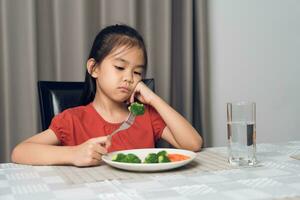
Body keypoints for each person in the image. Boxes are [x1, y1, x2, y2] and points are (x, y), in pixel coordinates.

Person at [11, 24, 203, 167]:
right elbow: (20, 152)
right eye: (120, 67)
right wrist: (73, 154)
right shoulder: (73, 119)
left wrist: (154, 99)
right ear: (94, 68)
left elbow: (193, 144)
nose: (129, 78)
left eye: (137, 72)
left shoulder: (145, 115)